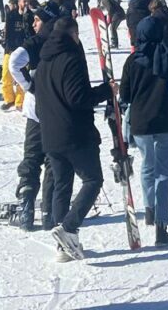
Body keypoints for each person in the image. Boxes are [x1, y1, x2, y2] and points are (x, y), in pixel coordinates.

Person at [34, 15, 111, 261]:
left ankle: (63, 246)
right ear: (73, 35)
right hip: (74, 133)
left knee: (62, 185)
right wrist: (106, 91)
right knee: (93, 180)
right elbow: (78, 98)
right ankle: (68, 228)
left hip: (50, 134)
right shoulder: (71, 59)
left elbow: (38, 101)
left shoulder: (44, 61)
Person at [120, 15, 168, 245]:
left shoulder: (133, 61)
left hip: (141, 123)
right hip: (167, 121)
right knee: (164, 173)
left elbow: (125, 95)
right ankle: (161, 225)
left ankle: (149, 209)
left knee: (148, 166)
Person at [8, 3, 60, 231]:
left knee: (32, 159)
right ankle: (49, 212)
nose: (33, 24)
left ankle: (27, 210)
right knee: (52, 161)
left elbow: (13, 62)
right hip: (56, 111)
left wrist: (29, 86)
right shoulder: (64, 41)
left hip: (37, 112)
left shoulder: (36, 42)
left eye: (37, 20)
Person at [2, 0, 33, 110]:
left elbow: (32, 33)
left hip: (23, 51)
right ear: (19, 2)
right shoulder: (11, 15)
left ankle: (20, 102)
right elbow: (8, 32)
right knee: (6, 75)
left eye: (28, 1)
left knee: (22, 76)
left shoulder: (30, 16)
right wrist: (6, 46)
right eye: (24, 1)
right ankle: (9, 99)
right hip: (10, 49)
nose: (26, 3)